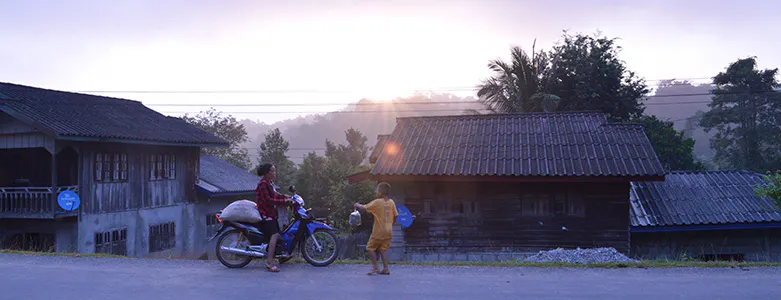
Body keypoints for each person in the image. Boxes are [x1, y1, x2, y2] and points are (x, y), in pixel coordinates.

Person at [255, 163, 293, 273]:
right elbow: (269, 200)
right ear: (267, 173)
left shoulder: (269, 183)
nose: (274, 173)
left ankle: (280, 256)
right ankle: (269, 262)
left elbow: (275, 195)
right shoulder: (263, 184)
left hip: (271, 213)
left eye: (274, 171)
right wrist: (284, 201)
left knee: (280, 232)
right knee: (275, 234)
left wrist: (285, 196)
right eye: (272, 171)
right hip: (265, 213)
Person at [354, 182, 398, 275]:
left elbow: (365, 207)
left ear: (380, 192)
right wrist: (390, 224)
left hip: (379, 231)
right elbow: (396, 216)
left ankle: (375, 268)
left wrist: (357, 205)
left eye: (377, 190)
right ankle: (386, 268)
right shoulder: (391, 202)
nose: (376, 192)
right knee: (383, 249)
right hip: (388, 231)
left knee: (370, 248)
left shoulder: (377, 202)